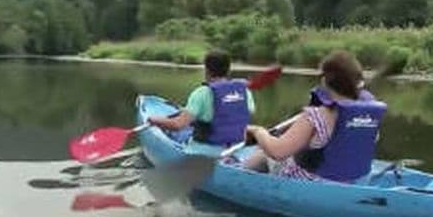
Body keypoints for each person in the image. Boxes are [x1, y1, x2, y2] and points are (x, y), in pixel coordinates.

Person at [244, 50, 386, 182]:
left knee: (264, 153)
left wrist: (258, 132)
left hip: (316, 183)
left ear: (324, 81)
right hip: (356, 180)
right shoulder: (369, 116)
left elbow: (278, 152)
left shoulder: (316, 116)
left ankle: (238, 174)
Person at [148, 50, 255, 146]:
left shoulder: (201, 93)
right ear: (228, 70)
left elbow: (178, 125)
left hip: (204, 149)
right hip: (233, 146)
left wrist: (155, 120)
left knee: (179, 133)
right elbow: (247, 114)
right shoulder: (244, 91)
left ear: (207, 70)